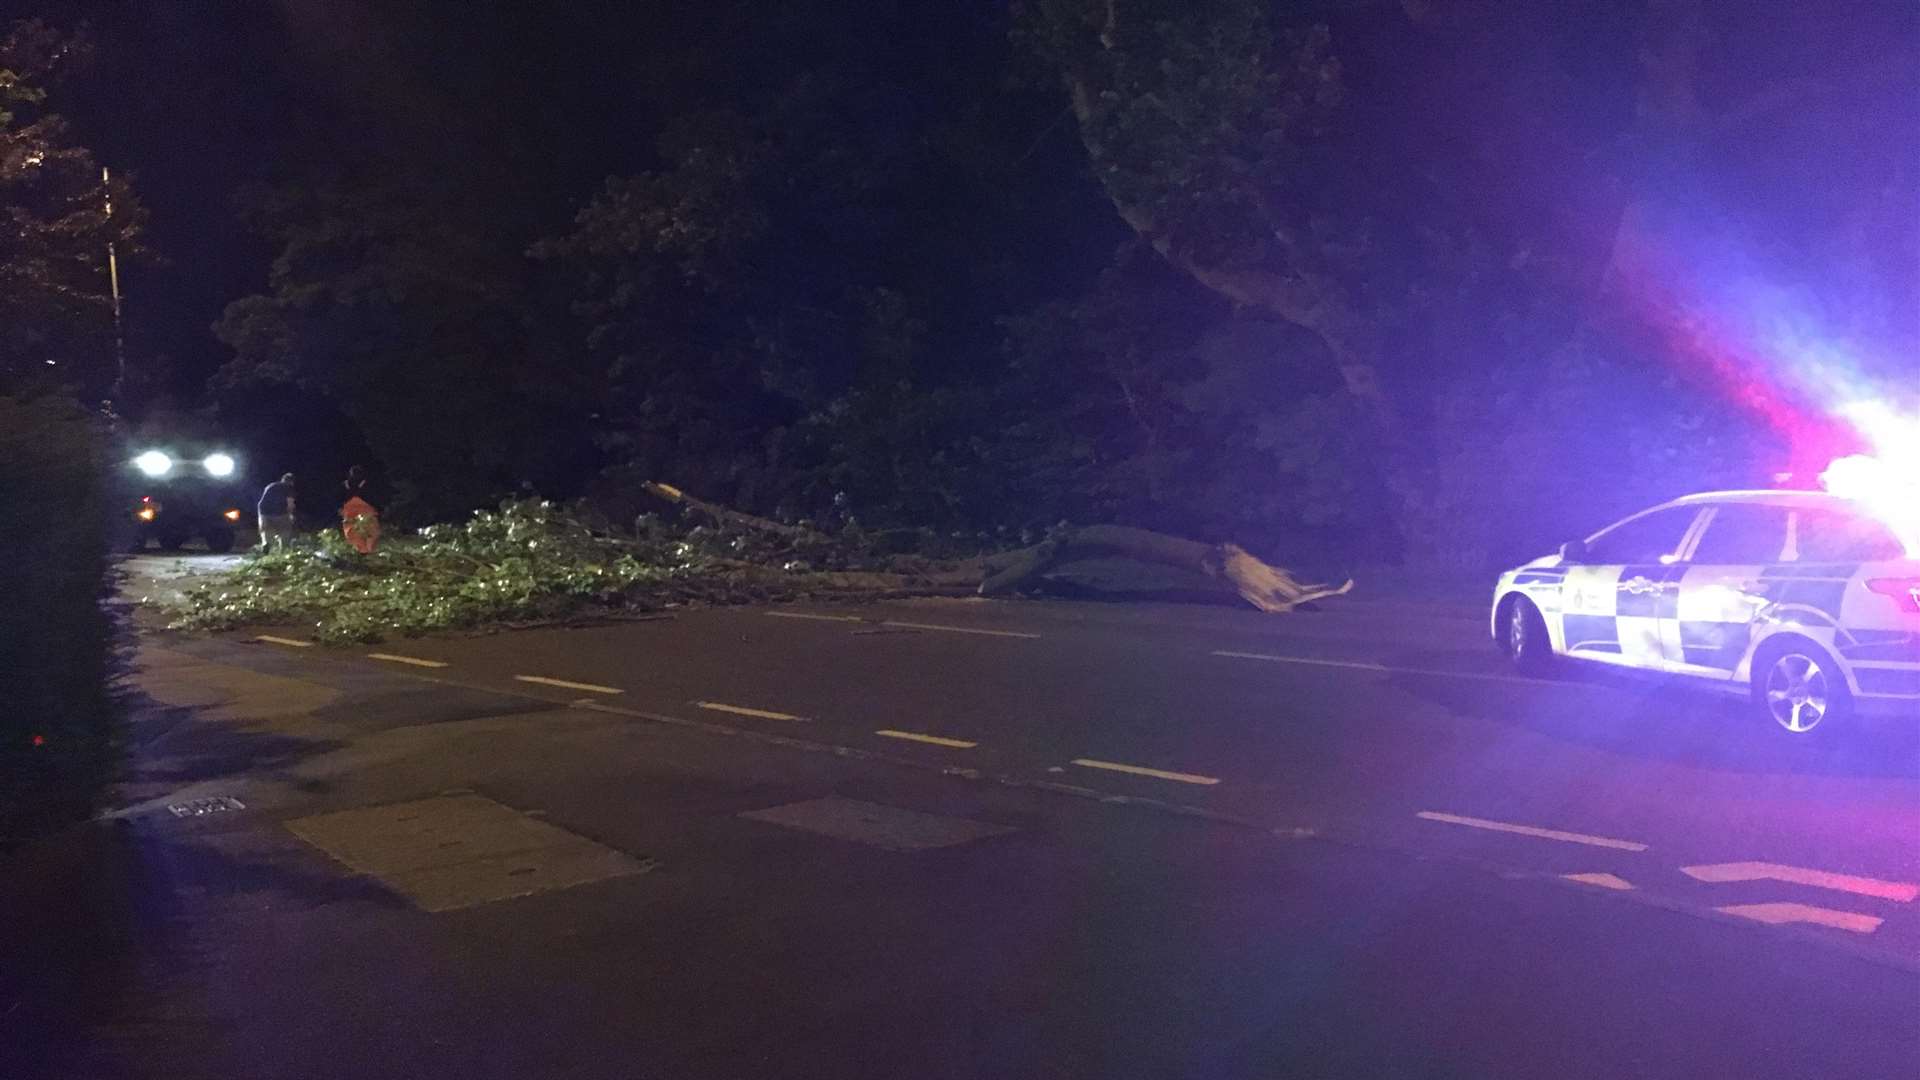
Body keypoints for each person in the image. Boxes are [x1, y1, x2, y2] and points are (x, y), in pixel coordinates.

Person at [341, 465, 382, 554]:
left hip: (360, 512)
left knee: (364, 531)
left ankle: (365, 550)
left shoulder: (365, 484)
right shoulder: (347, 485)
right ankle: (364, 550)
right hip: (356, 512)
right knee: (362, 531)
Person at [257, 473, 297, 551]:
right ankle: (284, 549)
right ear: (291, 482)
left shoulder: (271, 485)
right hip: (279, 511)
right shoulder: (289, 488)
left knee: (266, 529)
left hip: (263, 510)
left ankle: (266, 543)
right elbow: (290, 503)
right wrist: (291, 515)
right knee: (285, 529)